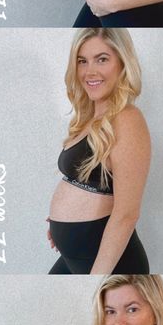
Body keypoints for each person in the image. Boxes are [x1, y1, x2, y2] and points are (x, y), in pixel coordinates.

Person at [48, 28, 151, 274]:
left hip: (105, 260)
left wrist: (96, 279)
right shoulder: (88, 117)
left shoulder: (127, 119)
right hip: (77, 252)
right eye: (82, 61)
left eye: (102, 59)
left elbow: (127, 214)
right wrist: (62, 224)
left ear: (122, 63)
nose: (89, 71)